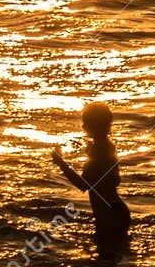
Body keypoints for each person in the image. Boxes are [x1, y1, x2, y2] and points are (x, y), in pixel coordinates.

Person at [52, 102, 132, 257]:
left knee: (105, 265)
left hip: (108, 215)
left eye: (86, 122)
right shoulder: (107, 146)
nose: (83, 126)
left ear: (93, 124)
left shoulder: (99, 149)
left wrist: (61, 163)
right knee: (111, 263)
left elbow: (84, 185)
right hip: (116, 211)